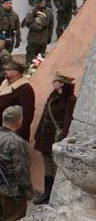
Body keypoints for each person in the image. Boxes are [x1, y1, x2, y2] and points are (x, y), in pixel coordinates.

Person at [34, 71, 76, 204]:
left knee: (56, 165)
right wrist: (38, 131)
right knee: (47, 164)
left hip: (56, 137)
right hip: (46, 136)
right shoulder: (52, 96)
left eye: (55, 81)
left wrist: (63, 139)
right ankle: (47, 192)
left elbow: (68, 121)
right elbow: (45, 114)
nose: (53, 83)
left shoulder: (70, 99)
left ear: (62, 84)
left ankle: (55, 193)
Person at [0, 61, 35, 141]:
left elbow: (28, 113)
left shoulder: (25, 89)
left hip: (15, 133)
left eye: (7, 69)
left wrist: (19, 132)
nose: (5, 71)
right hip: (3, 128)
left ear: (15, 73)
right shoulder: (5, 84)